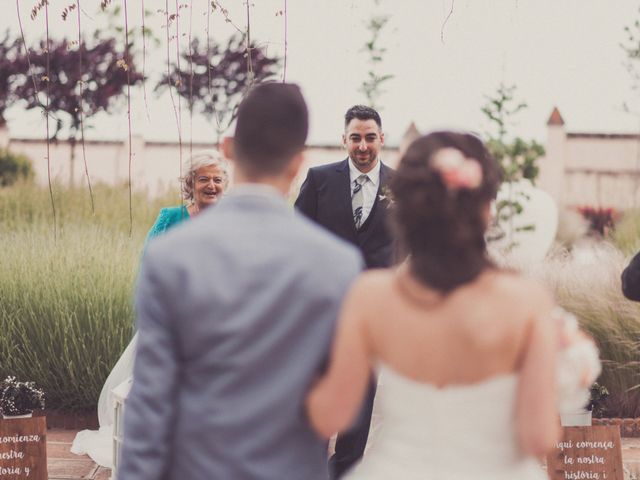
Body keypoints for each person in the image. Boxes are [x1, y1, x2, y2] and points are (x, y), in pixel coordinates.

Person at [306, 131, 599, 479]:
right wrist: (563, 374)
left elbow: (329, 416)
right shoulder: (523, 300)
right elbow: (539, 437)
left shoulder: (371, 297)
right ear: (486, 209)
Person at [117, 83, 363, 480]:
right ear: (299, 162)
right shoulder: (338, 265)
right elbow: (334, 412)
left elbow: (149, 407)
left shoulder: (170, 257)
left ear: (228, 148)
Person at [70, 151, 229, 468]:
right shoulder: (170, 217)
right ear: (189, 184)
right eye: (203, 179)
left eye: (217, 179)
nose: (211, 185)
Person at [295, 105, 393, 478]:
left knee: (359, 408)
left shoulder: (400, 187)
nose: (363, 145)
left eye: (370, 137)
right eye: (356, 137)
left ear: (382, 139)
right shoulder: (319, 180)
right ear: (344, 140)